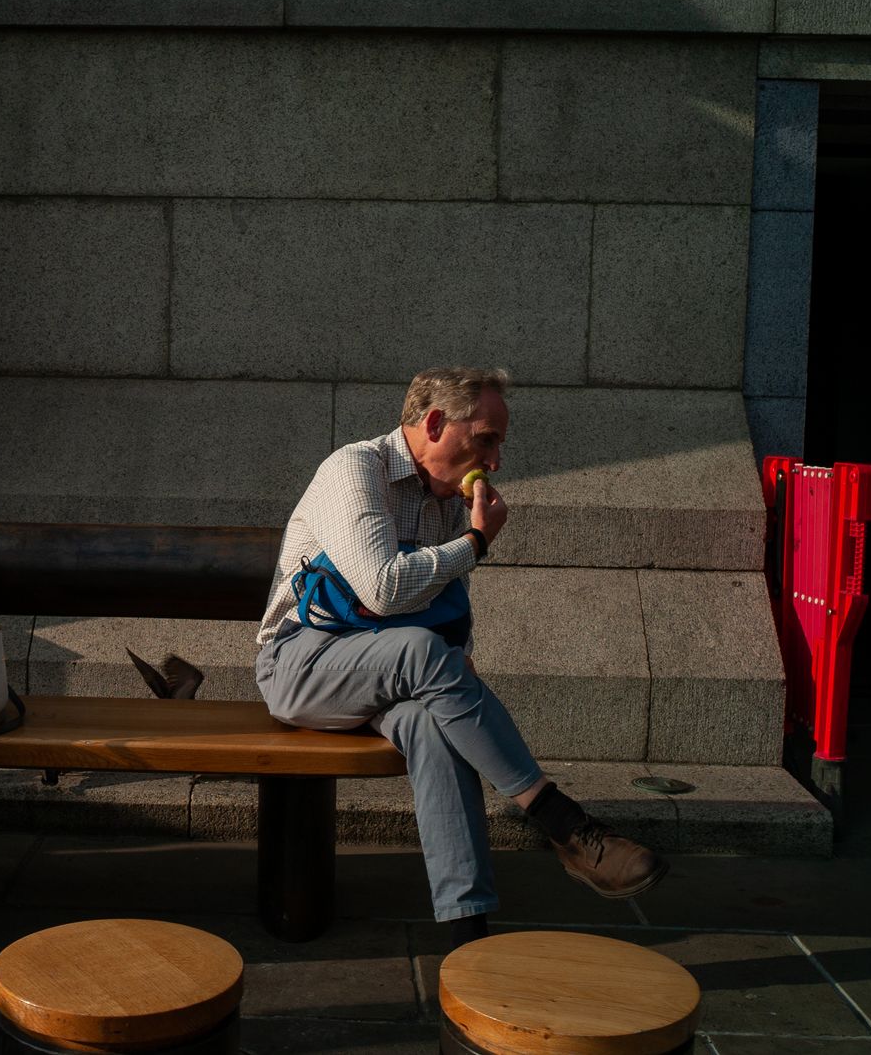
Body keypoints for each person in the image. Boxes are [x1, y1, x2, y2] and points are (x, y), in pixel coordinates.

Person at [254, 366, 667, 948]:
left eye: (499, 442)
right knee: (422, 652)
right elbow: (384, 588)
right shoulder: (355, 469)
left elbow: (446, 606)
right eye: (486, 439)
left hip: (387, 669)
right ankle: (562, 822)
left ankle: (466, 933)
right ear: (435, 423)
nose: (495, 462)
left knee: (433, 726)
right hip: (301, 664)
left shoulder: (446, 499)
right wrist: (473, 545)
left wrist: (457, 654)